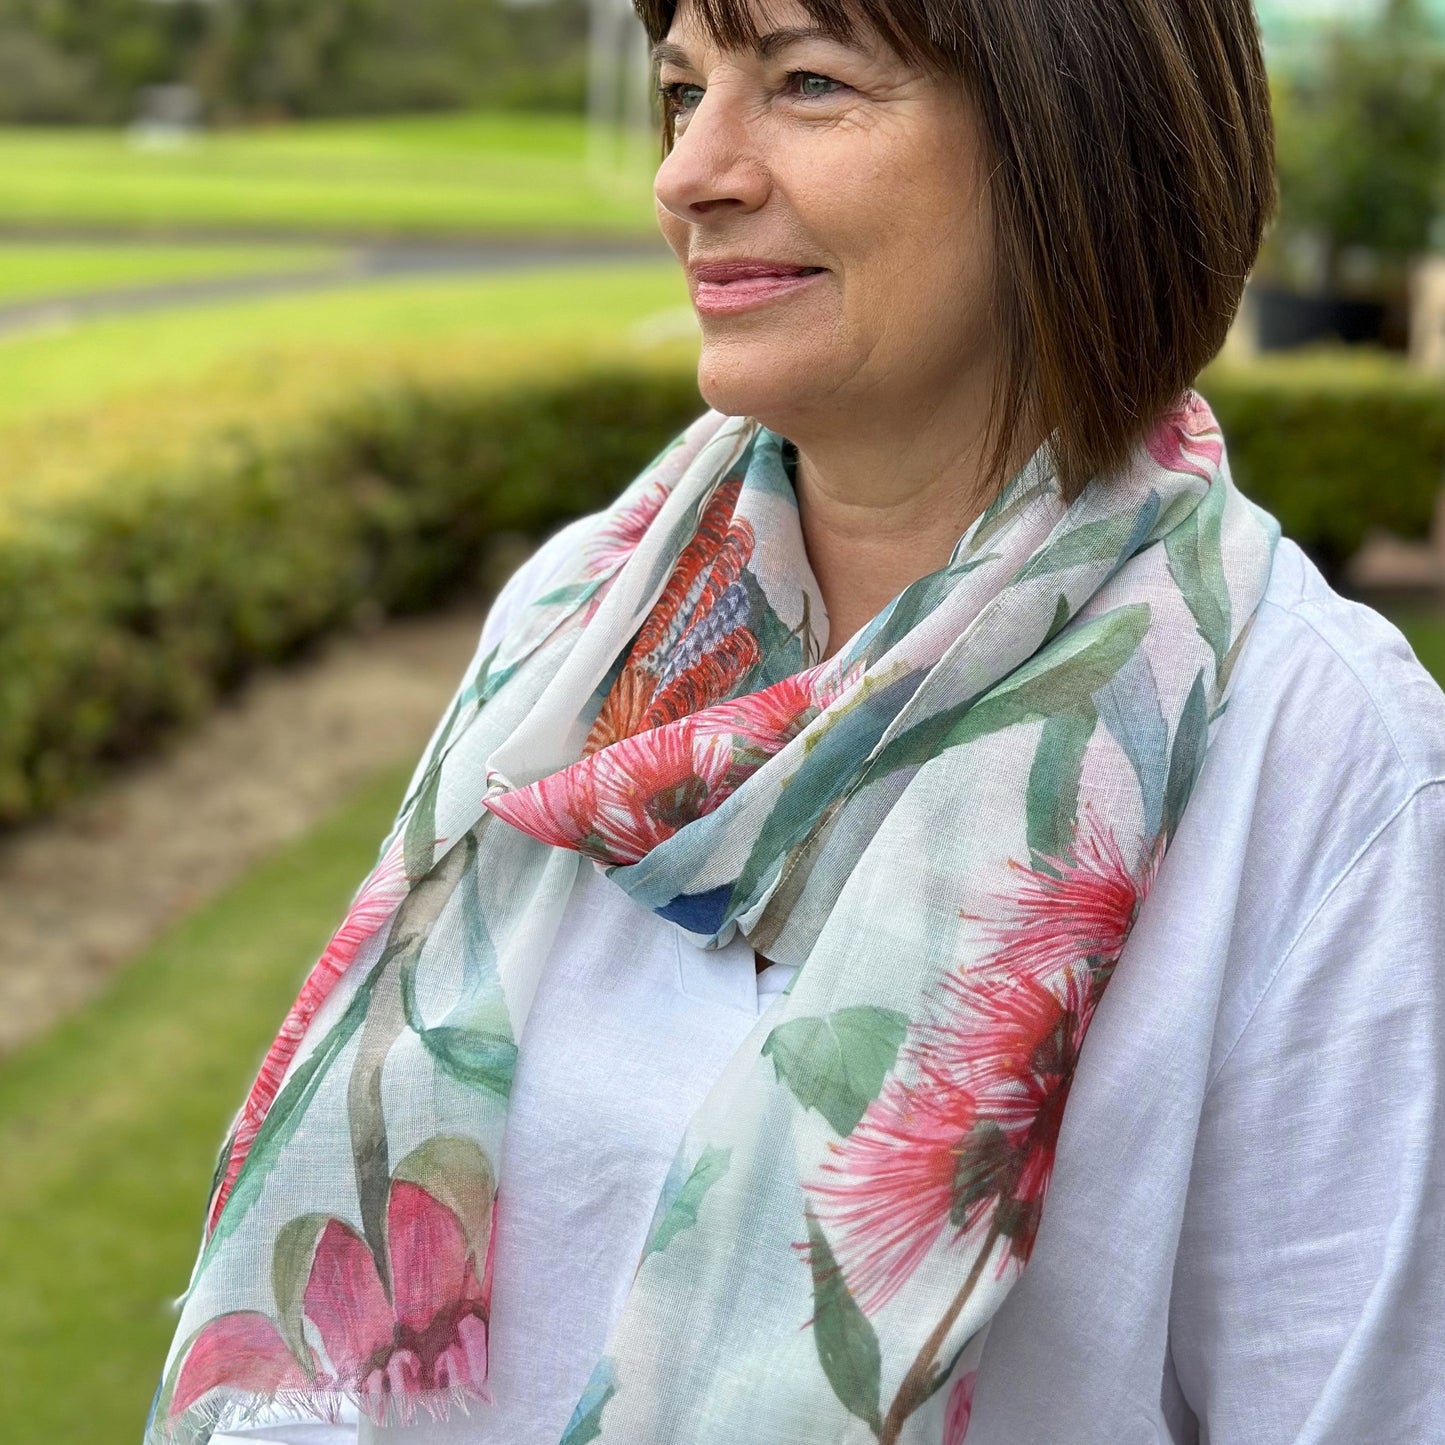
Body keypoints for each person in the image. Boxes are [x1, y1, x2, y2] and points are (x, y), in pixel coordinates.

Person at [145, 0, 1445, 1442]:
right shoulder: (576, 625)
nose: (688, 171)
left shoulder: (1317, 758)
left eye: (806, 82)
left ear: (1075, 137)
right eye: (681, 86)